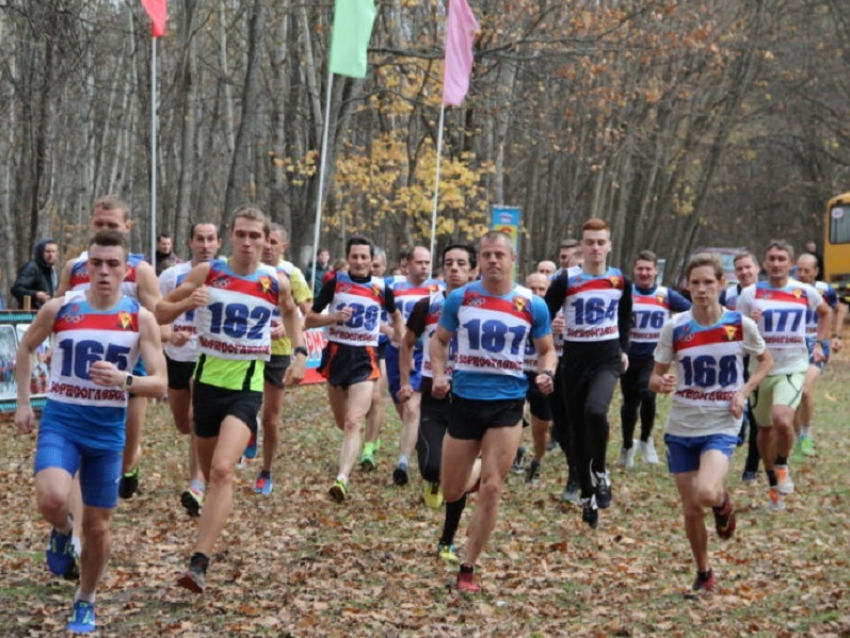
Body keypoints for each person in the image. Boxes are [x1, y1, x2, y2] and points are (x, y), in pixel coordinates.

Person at [15, 230, 167, 633]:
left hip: (106, 432)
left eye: (112, 264)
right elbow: (26, 347)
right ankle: (63, 531)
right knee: (51, 498)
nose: (103, 271)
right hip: (62, 421)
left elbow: (160, 382)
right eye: (95, 263)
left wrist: (124, 380)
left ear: (125, 270)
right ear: (86, 267)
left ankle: (86, 598)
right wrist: (26, 403)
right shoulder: (62, 309)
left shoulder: (140, 317)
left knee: (99, 526)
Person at [156, 204, 306, 592]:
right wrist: (188, 304)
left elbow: (292, 315)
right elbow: (159, 310)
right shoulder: (210, 272)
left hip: (247, 385)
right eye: (241, 234)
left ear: (266, 240)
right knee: (208, 473)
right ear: (231, 236)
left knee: (223, 469)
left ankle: (199, 561)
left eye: (255, 236)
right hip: (205, 382)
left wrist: (300, 352)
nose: (247, 242)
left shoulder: (277, 281)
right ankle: (212, 520)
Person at [430, 230, 555, 593]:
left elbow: (547, 349)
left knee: (492, 488)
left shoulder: (532, 304)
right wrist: (439, 375)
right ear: (480, 261)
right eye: (486, 255)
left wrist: (546, 372)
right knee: (452, 490)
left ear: (513, 259)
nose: (492, 261)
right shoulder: (460, 298)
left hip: (508, 402)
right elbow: (439, 341)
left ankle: (468, 566)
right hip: (466, 401)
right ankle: (479, 468)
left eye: (499, 254)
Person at [650, 253, 771, 597]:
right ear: (687, 286)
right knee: (690, 509)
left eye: (708, 283)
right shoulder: (675, 327)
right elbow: (654, 377)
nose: (701, 290)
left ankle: (721, 501)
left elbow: (765, 361)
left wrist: (744, 391)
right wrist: (661, 383)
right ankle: (704, 571)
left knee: (705, 493)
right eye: (695, 283)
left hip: (722, 420)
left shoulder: (740, 325)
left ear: (721, 284)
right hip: (682, 425)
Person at [56, 195, 163, 500]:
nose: (106, 228)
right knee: (79, 451)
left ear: (127, 227)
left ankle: (131, 463)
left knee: (126, 448)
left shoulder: (139, 269)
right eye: (100, 223)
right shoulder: (74, 266)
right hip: (83, 366)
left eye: (113, 224)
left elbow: (157, 314)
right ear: (91, 222)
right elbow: (58, 308)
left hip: (130, 364)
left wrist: (173, 329)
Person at [544, 218, 632, 528]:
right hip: (573, 362)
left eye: (600, 242)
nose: (595, 248)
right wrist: (552, 330)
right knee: (577, 434)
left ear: (609, 245)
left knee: (596, 412)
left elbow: (625, 317)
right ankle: (587, 496)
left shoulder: (619, 280)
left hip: (606, 359)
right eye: (590, 242)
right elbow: (544, 312)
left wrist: (623, 349)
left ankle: (602, 473)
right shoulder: (566, 279)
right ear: (582, 246)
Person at [305, 235, 403, 502]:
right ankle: (350, 460)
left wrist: (400, 339)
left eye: (364, 257)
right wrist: (334, 317)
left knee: (353, 421)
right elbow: (309, 319)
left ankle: (342, 478)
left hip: (365, 356)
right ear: (348, 258)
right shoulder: (335, 283)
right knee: (341, 421)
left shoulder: (382, 288)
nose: (359, 262)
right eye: (355, 257)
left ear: (372, 261)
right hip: (337, 355)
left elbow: (395, 316)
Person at [736, 240, 830, 511]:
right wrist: (750, 323)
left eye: (781, 259)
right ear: (764, 264)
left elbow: (825, 312)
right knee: (764, 431)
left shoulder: (805, 291)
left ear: (790, 264)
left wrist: (820, 343)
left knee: (782, 419)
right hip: (761, 371)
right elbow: (735, 331)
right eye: (771, 259)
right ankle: (772, 484)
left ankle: (782, 464)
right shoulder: (750, 294)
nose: (776, 264)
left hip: (793, 367)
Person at [397, 244, 477, 511]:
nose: (454, 268)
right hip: (434, 389)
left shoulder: (483, 306)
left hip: (470, 390)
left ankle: (457, 485)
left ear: (473, 270)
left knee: (461, 457)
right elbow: (407, 343)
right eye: (449, 263)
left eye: (461, 264)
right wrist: (406, 381)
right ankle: (433, 479)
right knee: (431, 466)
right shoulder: (427, 305)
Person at [159, 222, 222, 516]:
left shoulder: (225, 274)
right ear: (190, 242)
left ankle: (196, 485)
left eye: (211, 239)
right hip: (176, 354)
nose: (205, 245)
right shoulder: (172, 275)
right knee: (183, 424)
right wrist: (171, 333)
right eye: (200, 239)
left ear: (219, 243)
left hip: (208, 355)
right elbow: (158, 311)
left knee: (198, 419)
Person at [252, 223, 312, 495]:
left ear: (283, 247)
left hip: (278, 351)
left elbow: (307, 312)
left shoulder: (291, 273)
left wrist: (289, 325)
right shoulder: (247, 268)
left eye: (273, 242)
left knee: (271, 418)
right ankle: (246, 432)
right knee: (245, 407)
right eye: (265, 240)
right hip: (249, 348)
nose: (267, 246)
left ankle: (266, 471)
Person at [619, 250, 690, 468]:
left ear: (655, 271)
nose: (644, 273)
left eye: (648, 269)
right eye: (640, 269)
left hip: (654, 356)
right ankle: (627, 447)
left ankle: (646, 439)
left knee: (648, 394)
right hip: (629, 356)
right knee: (630, 403)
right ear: (634, 270)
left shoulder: (665, 295)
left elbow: (692, 309)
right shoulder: (626, 294)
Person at [385, 246, 444, 486]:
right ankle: (422, 444)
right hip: (396, 352)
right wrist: (391, 330)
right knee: (405, 409)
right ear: (406, 264)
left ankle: (402, 463)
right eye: (418, 262)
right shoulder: (391, 286)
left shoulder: (438, 290)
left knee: (412, 408)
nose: (424, 266)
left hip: (425, 354)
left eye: (427, 262)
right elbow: (374, 318)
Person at [791, 253, 844, 458]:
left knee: (804, 389)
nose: (802, 274)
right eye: (799, 270)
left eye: (807, 270)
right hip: (793, 347)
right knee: (794, 394)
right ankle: (797, 438)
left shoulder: (824, 289)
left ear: (816, 271)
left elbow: (839, 308)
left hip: (817, 346)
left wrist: (836, 336)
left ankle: (806, 434)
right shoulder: (789, 289)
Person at [722, 251, 763, 483]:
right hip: (733, 359)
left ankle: (750, 469)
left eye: (748, 267)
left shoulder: (767, 294)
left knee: (758, 418)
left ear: (757, 268)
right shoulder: (727, 295)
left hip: (759, 360)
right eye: (740, 269)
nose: (745, 272)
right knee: (734, 410)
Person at [361, 248, 391, 470]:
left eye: (377, 266)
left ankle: (368, 448)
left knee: (376, 396)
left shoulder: (390, 289)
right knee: (361, 402)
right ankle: (372, 430)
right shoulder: (355, 288)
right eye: (371, 264)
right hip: (359, 346)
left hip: (383, 346)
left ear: (384, 267)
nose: (372, 269)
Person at [11, 238, 59, 309]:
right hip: (30, 314)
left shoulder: (53, 271)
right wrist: (35, 295)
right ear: (40, 252)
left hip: (47, 312)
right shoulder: (31, 268)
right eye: (47, 251)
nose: (51, 255)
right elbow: (16, 289)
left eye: (53, 251)